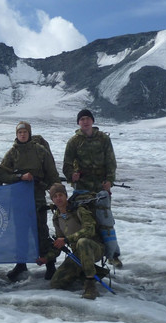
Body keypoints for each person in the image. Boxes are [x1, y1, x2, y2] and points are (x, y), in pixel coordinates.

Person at [0, 121, 60, 281]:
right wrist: (19, 177)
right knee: (20, 232)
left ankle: (50, 264)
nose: (22, 135)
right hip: (19, 199)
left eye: (25, 132)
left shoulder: (40, 151)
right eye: (20, 133)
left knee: (41, 230)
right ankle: (21, 264)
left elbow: (52, 174)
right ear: (16, 135)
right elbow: (1, 174)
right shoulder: (12, 153)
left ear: (29, 133)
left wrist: (48, 188)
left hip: (38, 198)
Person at [63, 109, 122, 268]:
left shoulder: (103, 139)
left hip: (100, 186)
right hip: (82, 188)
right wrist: (71, 175)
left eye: (87, 118)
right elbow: (67, 165)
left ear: (92, 121)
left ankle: (113, 254)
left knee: (105, 220)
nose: (85, 121)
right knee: (85, 221)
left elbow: (111, 162)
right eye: (82, 119)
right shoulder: (74, 142)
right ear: (78, 123)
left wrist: (109, 180)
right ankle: (84, 253)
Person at [47, 183, 108, 299]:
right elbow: (59, 243)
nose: (58, 198)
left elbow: (90, 230)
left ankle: (90, 284)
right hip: (78, 254)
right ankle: (94, 272)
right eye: (55, 196)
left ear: (66, 196)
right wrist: (47, 257)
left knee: (83, 242)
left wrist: (67, 239)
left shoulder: (79, 210)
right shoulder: (56, 217)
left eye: (60, 195)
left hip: (94, 248)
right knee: (56, 283)